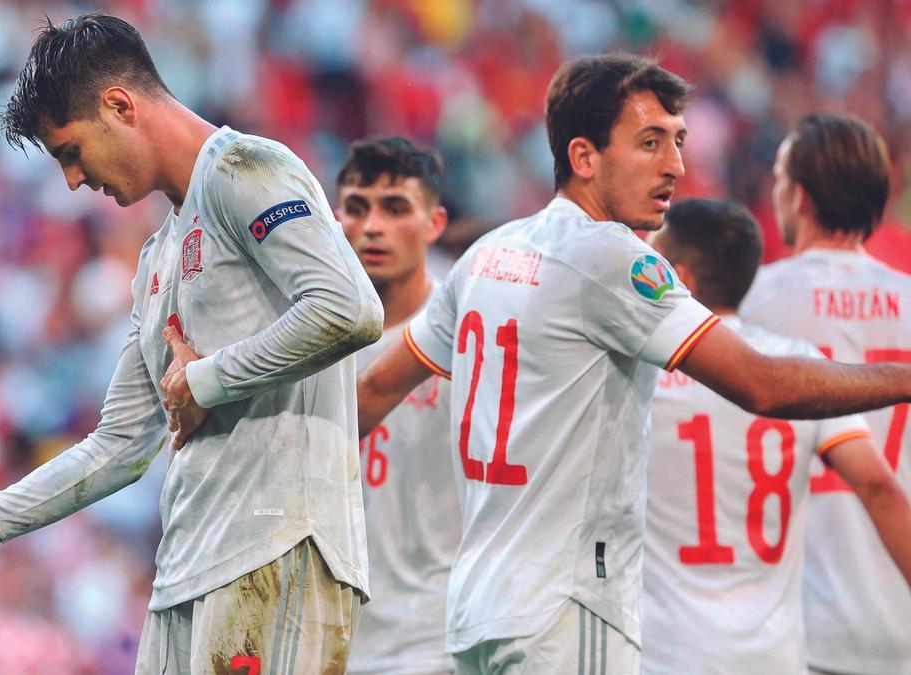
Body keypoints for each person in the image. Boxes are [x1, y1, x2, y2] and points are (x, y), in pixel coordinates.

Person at [0, 14, 384, 674]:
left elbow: (348, 307)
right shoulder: (158, 257)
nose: (74, 182)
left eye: (71, 152)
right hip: (188, 568)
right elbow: (117, 444)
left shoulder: (245, 168)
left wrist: (208, 379)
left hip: (278, 542)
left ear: (119, 105)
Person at [356, 54, 911, 675]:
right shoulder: (611, 256)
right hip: (570, 608)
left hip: (477, 608)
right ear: (585, 157)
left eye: (677, 141)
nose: (675, 165)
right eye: (650, 143)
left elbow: (376, 387)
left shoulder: (490, 252)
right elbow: (764, 386)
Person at [642, 198, 911, 674]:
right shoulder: (798, 367)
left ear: (681, 281)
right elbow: (878, 485)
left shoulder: (641, 375)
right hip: (774, 657)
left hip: (665, 653)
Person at [739, 112, 911, 675]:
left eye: (781, 178)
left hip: (791, 614)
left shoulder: (751, 304)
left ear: (802, 198)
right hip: (898, 596)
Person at [334, 137, 461, 675]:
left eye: (395, 208)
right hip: (336, 638)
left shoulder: (469, 332)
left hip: (439, 635)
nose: (372, 227)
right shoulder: (305, 338)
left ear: (435, 224)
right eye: (357, 208)